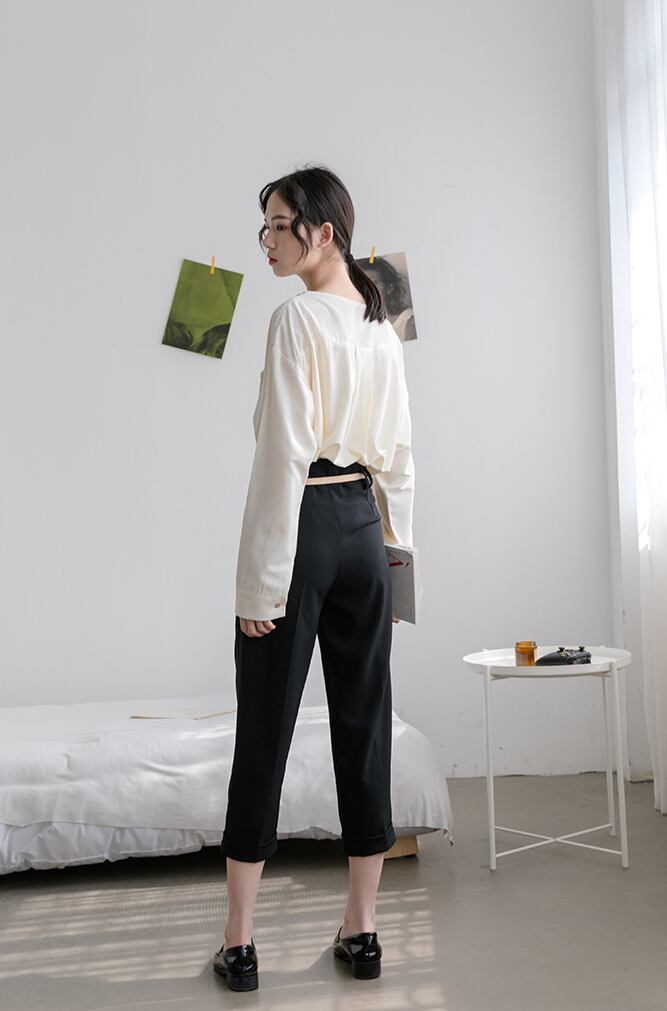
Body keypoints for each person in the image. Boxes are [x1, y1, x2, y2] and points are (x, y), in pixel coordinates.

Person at [213, 164, 415, 992]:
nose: (265, 241)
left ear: (321, 232)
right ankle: (362, 932)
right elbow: (399, 455)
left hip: (303, 524)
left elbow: (281, 457)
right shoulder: (379, 322)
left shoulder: (295, 318)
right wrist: (396, 567)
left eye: (277, 225)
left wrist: (258, 588)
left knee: (264, 726)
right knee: (365, 725)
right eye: (263, 225)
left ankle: (239, 942)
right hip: (365, 529)